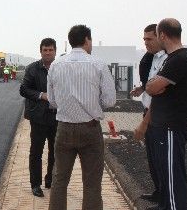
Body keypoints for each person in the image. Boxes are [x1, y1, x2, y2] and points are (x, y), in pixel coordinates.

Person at [47, 25, 116, 210]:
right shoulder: (98, 64)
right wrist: (92, 105)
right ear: (87, 40)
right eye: (90, 40)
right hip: (90, 129)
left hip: (64, 129)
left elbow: (52, 101)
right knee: (92, 183)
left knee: (59, 180)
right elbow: (110, 101)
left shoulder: (55, 65)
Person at [138, 18, 187, 210]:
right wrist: (153, 85)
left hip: (172, 126)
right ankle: (165, 205)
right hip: (165, 126)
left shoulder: (178, 59)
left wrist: (154, 85)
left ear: (162, 35)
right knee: (165, 172)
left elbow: (153, 88)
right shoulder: (172, 58)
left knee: (172, 176)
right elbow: (153, 87)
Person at [130, 24, 168, 203]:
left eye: (149, 39)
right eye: (144, 39)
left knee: (162, 160)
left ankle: (166, 200)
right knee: (153, 159)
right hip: (148, 112)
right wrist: (141, 88)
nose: (146, 43)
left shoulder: (167, 60)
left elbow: (160, 97)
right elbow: (150, 83)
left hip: (159, 117)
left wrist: (144, 124)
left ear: (161, 37)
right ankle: (159, 192)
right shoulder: (151, 58)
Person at [19, 38, 58, 197]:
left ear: (55, 51)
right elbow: (24, 89)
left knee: (55, 152)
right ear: (40, 51)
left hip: (57, 116)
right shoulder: (32, 69)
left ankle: (51, 180)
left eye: (50, 50)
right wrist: (41, 95)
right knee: (36, 152)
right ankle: (35, 184)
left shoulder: (61, 68)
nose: (48, 53)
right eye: (45, 50)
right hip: (38, 117)